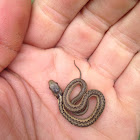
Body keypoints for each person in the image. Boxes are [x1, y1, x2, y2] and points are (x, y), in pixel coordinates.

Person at [0, 0, 140, 139]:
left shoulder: (66, 103)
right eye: (53, 87)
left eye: (53, 87)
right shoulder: (65, 104)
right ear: (58, 90)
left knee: (85, 96)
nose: (52, 85)